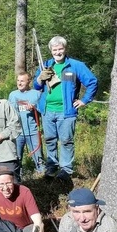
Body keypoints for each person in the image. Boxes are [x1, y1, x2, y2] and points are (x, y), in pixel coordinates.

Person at [34, 36, 98, 180]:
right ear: (51, 51)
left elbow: (92, 82)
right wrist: (40, 78)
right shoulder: (45, 65)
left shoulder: (75, 66)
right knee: (50, 139)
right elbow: (36, 86)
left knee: (66, 140)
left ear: (65, 49)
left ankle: (66, 170)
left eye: (60, 49)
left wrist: (84, 100)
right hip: (47, 110)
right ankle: (51, 167)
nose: (58, 52)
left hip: (66, 111)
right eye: (55, 49)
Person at [8, 72, 45, 175]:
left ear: (29, 81)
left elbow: (43, 112)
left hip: (33, 131)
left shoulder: (37, 94)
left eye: (22, 81)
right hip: (18, 131)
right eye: (18, 80)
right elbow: (8, 113)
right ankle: (17, 178)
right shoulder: (13, 95)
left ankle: (42, 176)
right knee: (16, 157)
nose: (19, 83)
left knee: (38, 156)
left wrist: (34, 109)